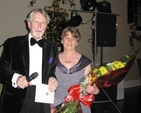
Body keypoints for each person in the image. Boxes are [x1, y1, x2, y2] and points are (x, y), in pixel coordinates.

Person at [0, 8, 58, 113]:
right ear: (29, 24)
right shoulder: (12, 43)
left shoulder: (52, 48)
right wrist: (16, 78)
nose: (40, 26)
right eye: (36, 22)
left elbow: (51, 71)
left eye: (43, 23)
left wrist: (52, 78)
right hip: (17, 99)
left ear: (46, 26)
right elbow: (2, 69)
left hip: (42, 99)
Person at [51, 27, 99, 113]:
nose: (70, 41)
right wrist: (50, 106)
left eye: (73, 38)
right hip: (57, 104)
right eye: (67, 38)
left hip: (79, 105)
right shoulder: (53, 60)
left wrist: (95, 91)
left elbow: (93, 87)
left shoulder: (85, 62)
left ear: (76, 42)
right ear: (62, 40)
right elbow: (48, 85)